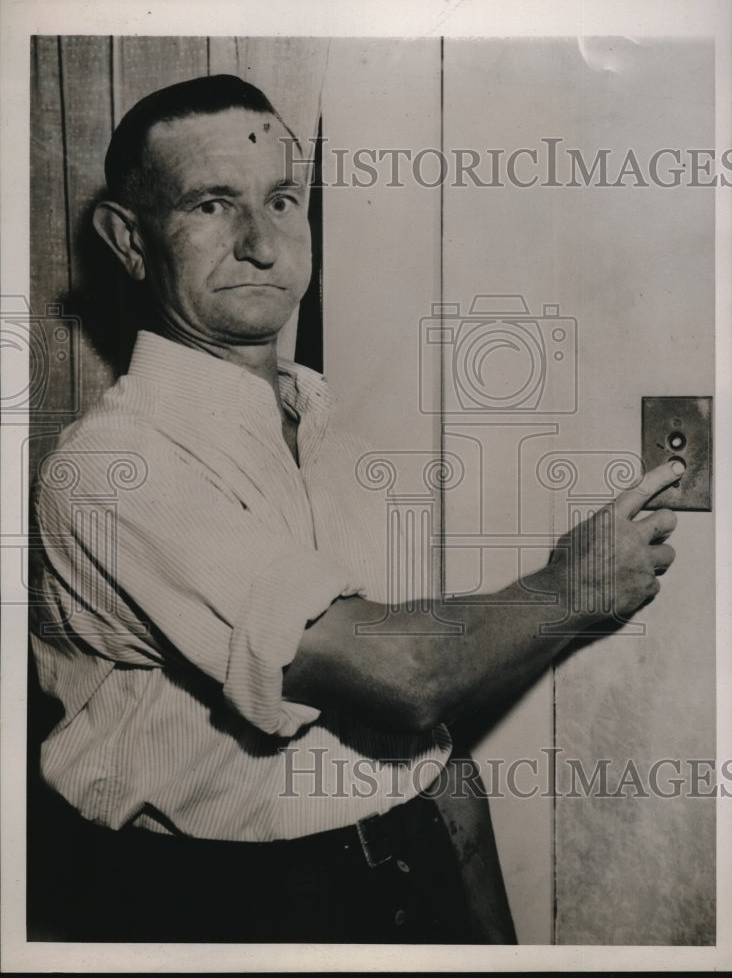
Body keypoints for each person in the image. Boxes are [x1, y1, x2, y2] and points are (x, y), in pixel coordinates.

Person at [29, 74, 683, 944]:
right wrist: (574, 587)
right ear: (129, 240)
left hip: (412, 862)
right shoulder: (112, 468)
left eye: (281, 200)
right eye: (211, 205)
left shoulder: (331, 428)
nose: (261, 243)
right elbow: (407, 677)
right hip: (224, 909)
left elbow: (426, 750)